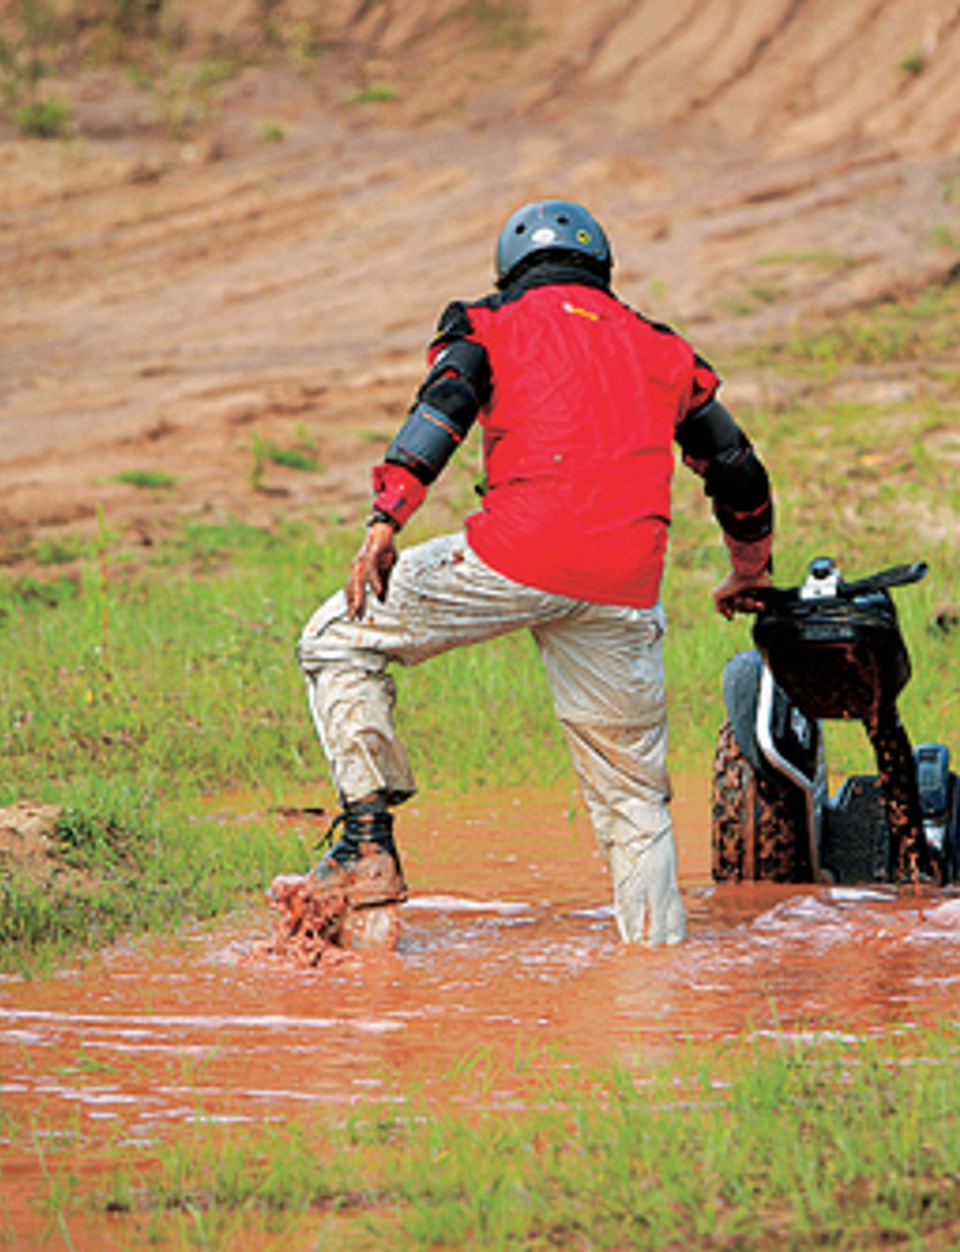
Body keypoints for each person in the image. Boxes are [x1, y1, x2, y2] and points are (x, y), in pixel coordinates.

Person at [293, 199, 774, 945]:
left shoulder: (488, 323)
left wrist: (388, 515)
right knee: (634, 804)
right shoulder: (665, 350)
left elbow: (443, 407)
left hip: (511, 556)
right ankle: (656, 975)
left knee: (334, 639)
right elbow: (737, 467)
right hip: (624, 586)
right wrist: (750, 570)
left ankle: (365, 844)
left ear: (510, 270)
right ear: (602, 269)